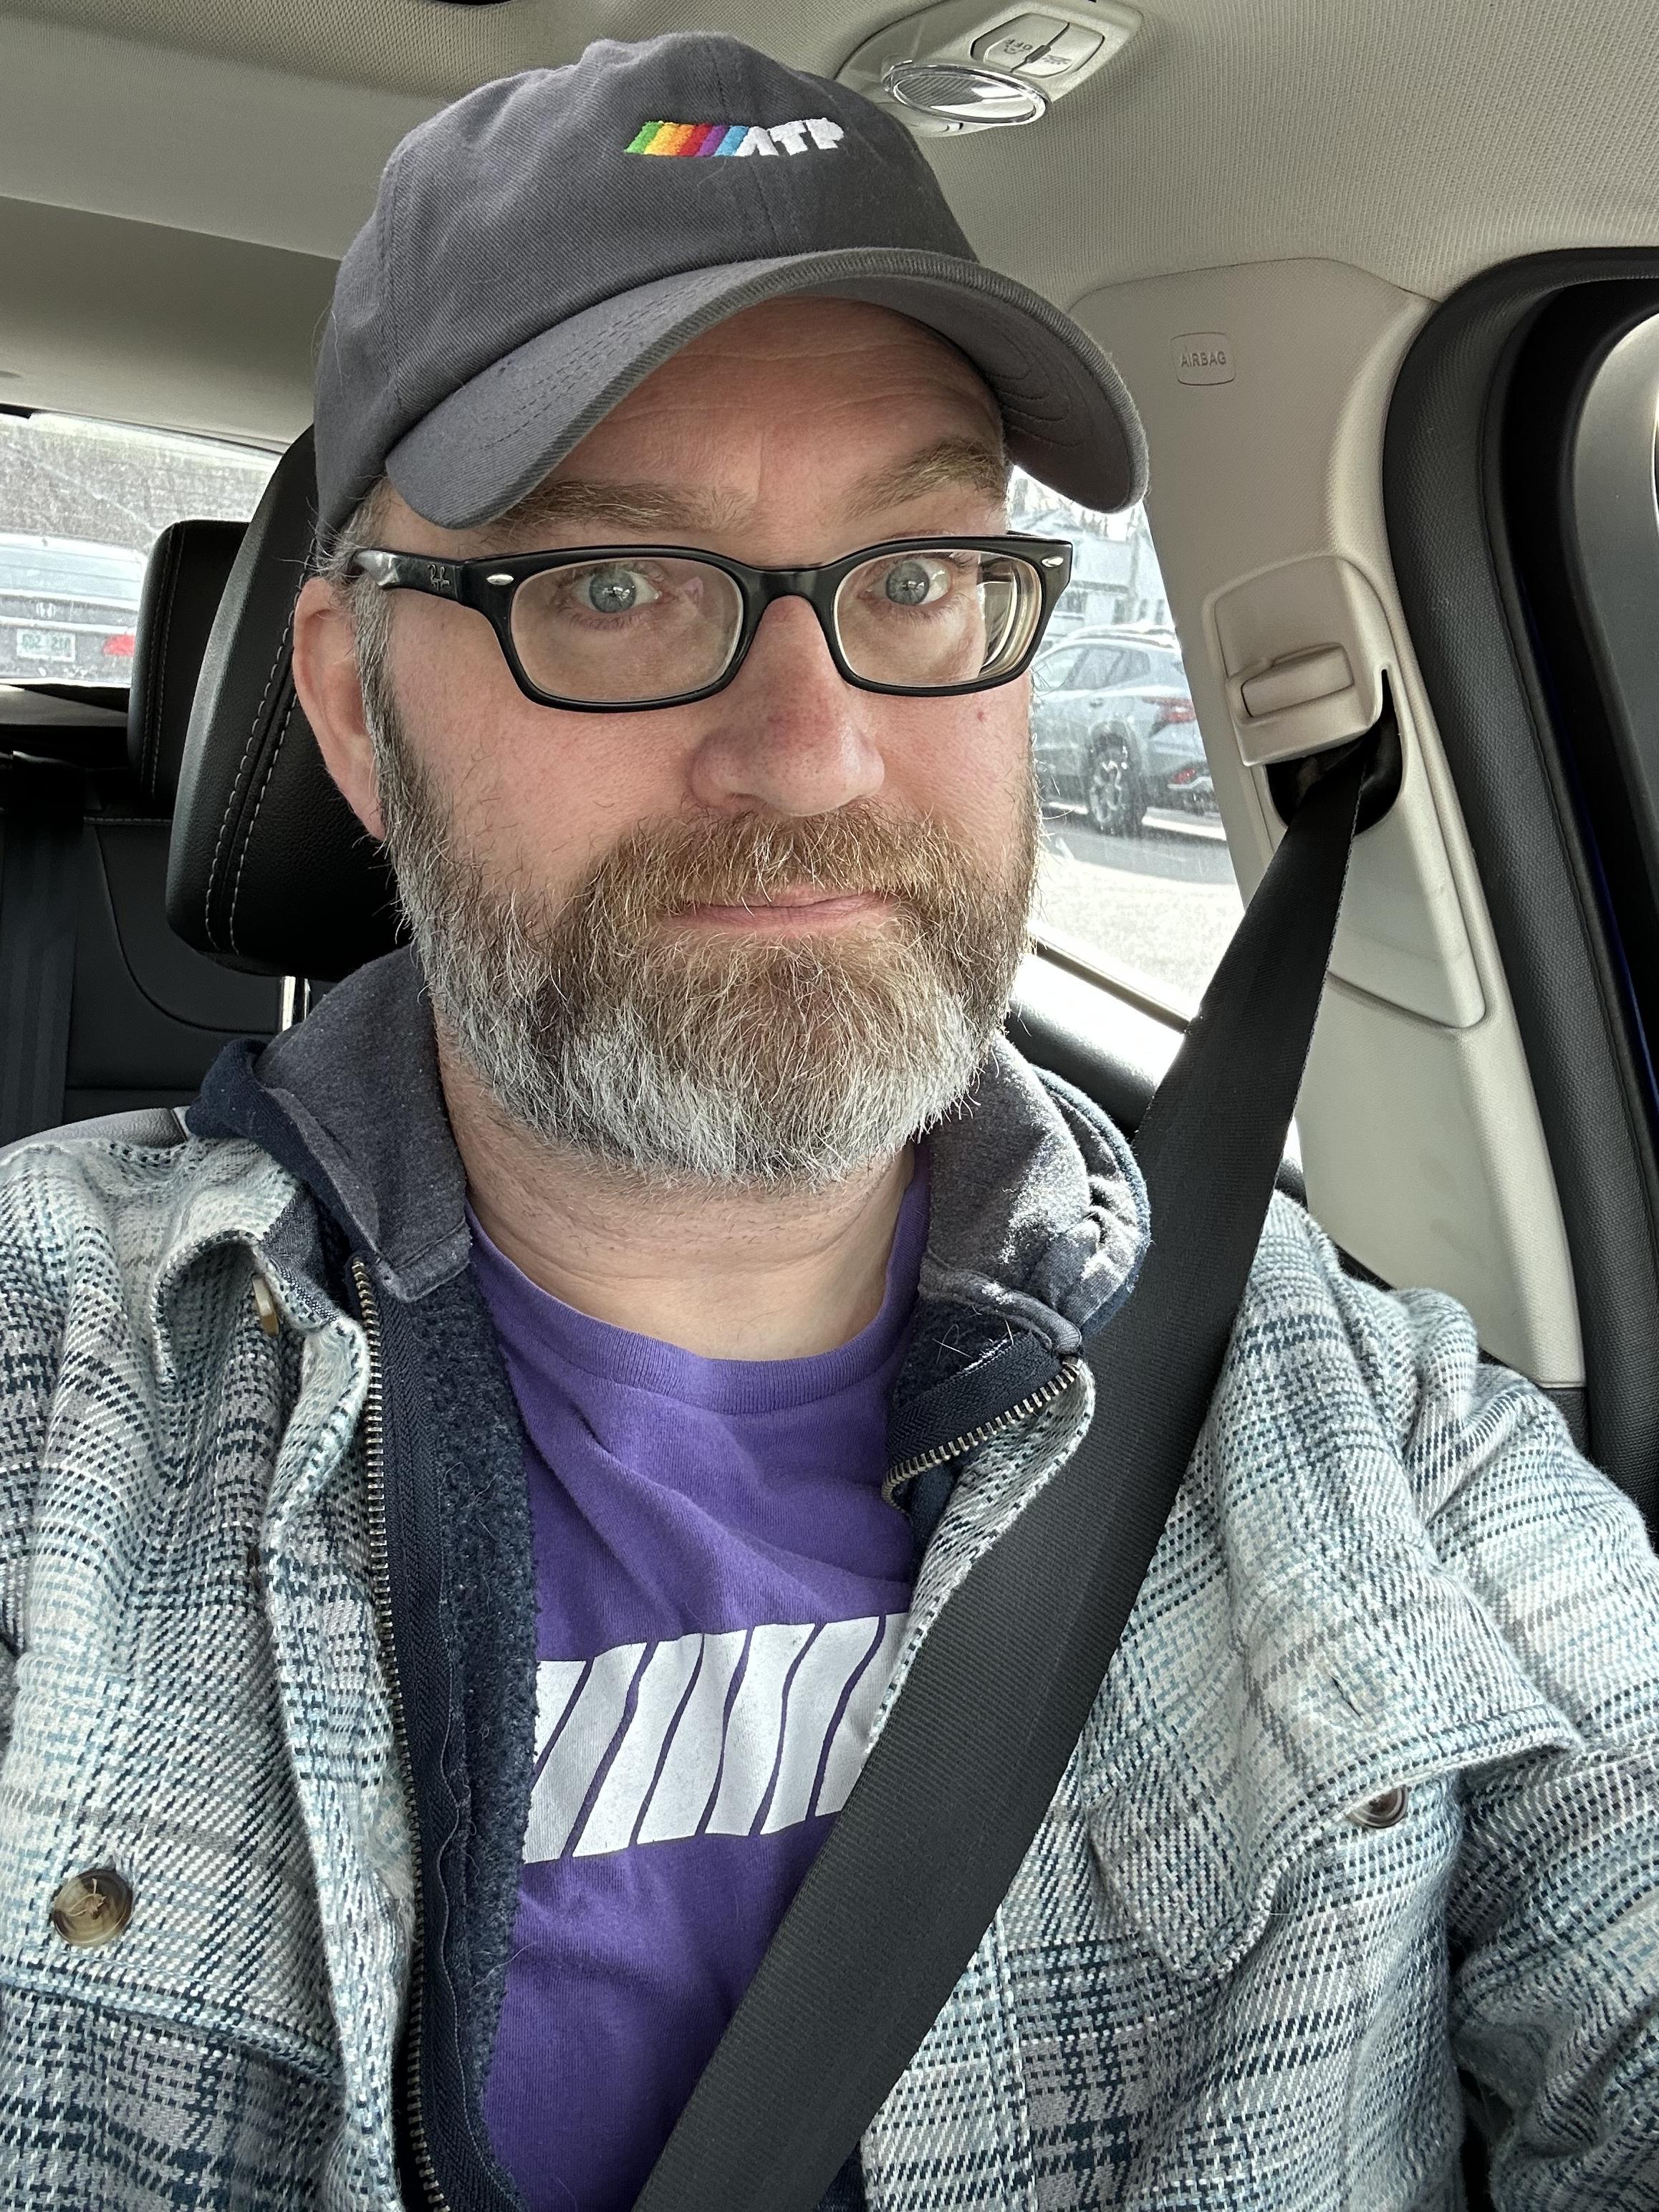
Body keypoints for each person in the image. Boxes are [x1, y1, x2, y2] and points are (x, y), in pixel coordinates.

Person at [2, 30, 1657, 2212]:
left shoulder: (1343, 1404)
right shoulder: (58, 1394)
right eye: (607, 588)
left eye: (915, 578)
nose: (814, 756)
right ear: (352, 708)